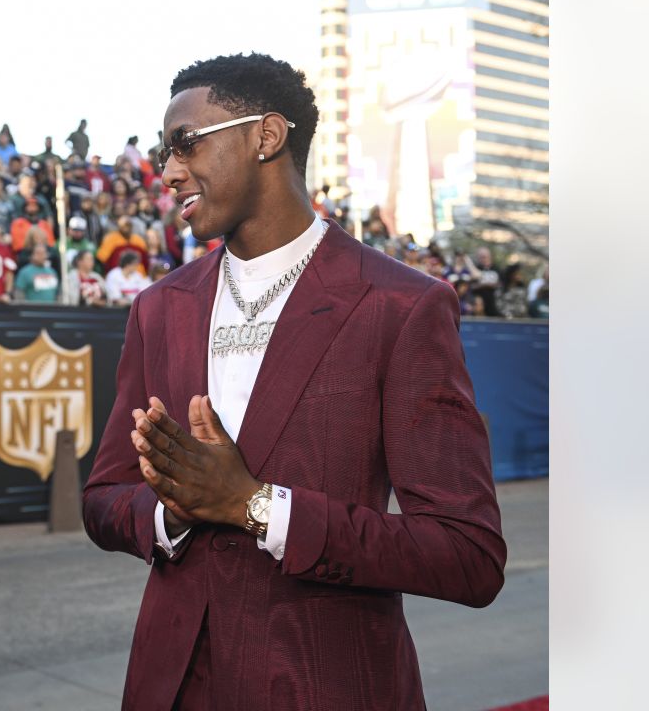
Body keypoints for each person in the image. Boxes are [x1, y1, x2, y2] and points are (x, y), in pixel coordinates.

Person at [82, 53, 505, 710]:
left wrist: (255, 506)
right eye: (164, 152)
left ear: (266, 136)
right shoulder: (158, 308)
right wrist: (170, 511)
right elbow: (104, 495)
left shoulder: (400, 304)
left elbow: (467, 555)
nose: (167, 172)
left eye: (185, 144)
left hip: (326, 684)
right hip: (169, 688)